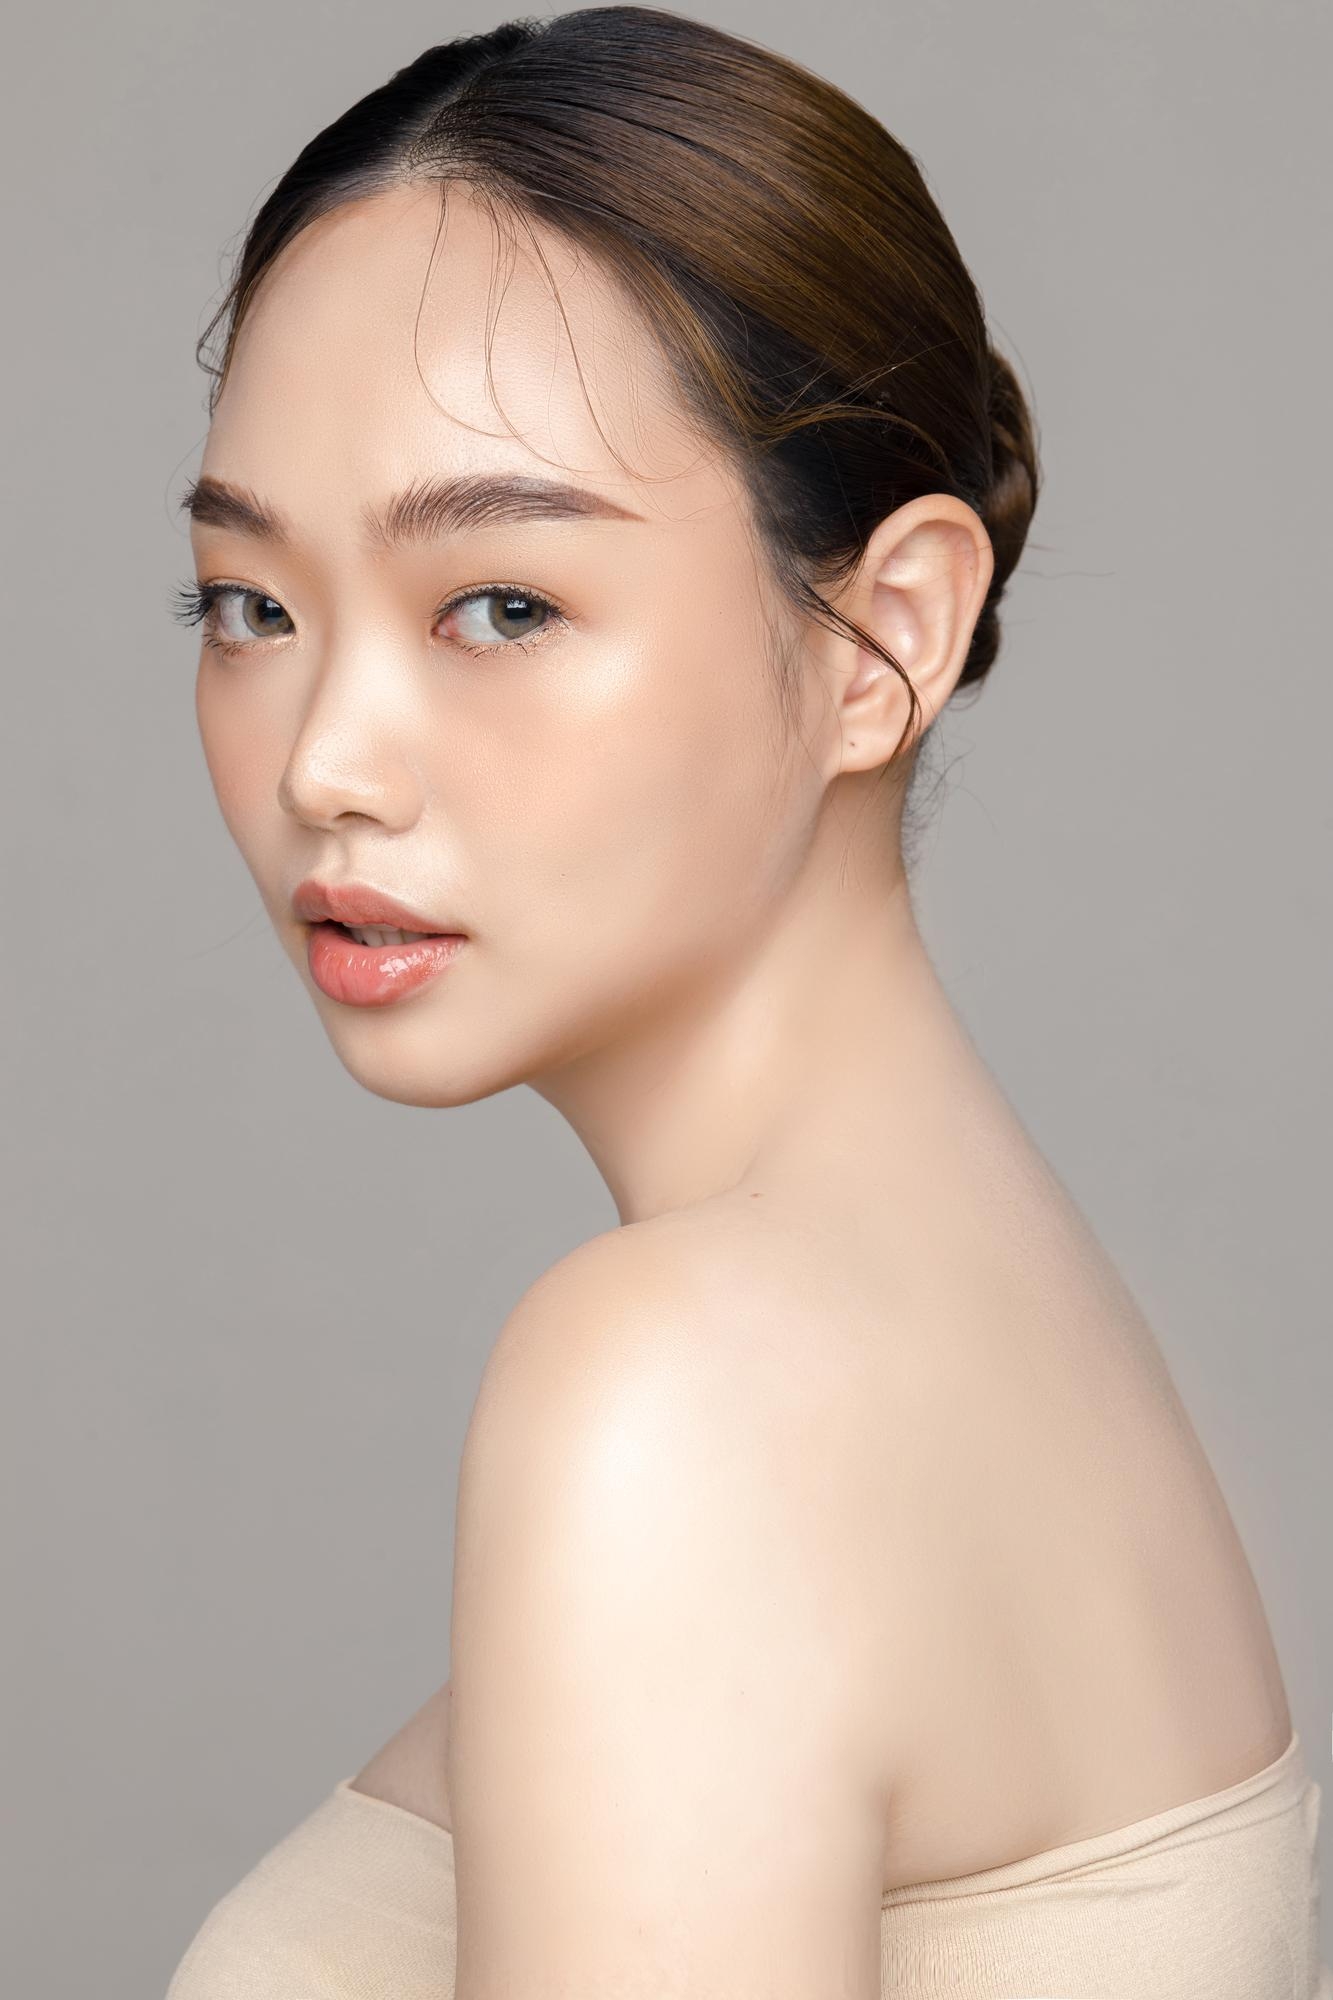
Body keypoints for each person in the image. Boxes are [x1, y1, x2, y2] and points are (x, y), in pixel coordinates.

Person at [163, 8, 1329, 1996]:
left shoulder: (683, 1391)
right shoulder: (1011, 1326)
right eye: (252, 606)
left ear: (882, 639)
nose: (325, 761)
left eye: (500, 603)